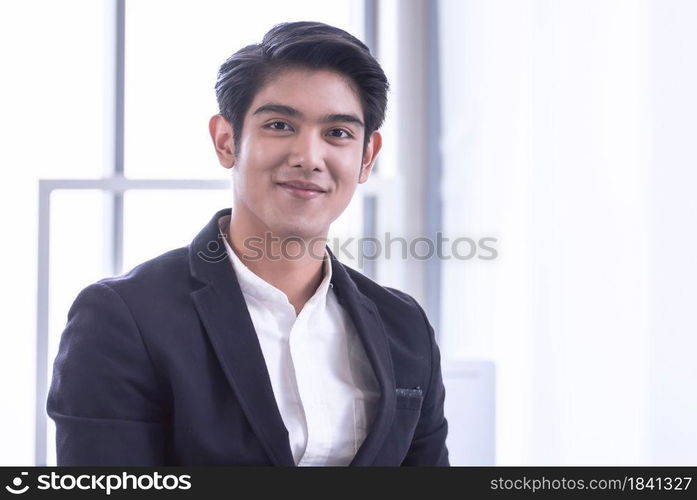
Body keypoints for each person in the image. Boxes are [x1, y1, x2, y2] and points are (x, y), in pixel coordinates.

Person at [47, 21, 449, 466]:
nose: (308, 158)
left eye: (337, 133)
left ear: (367, 156)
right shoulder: (124, 317)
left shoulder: (405, 326)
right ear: (226, 140)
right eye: (280, 125)